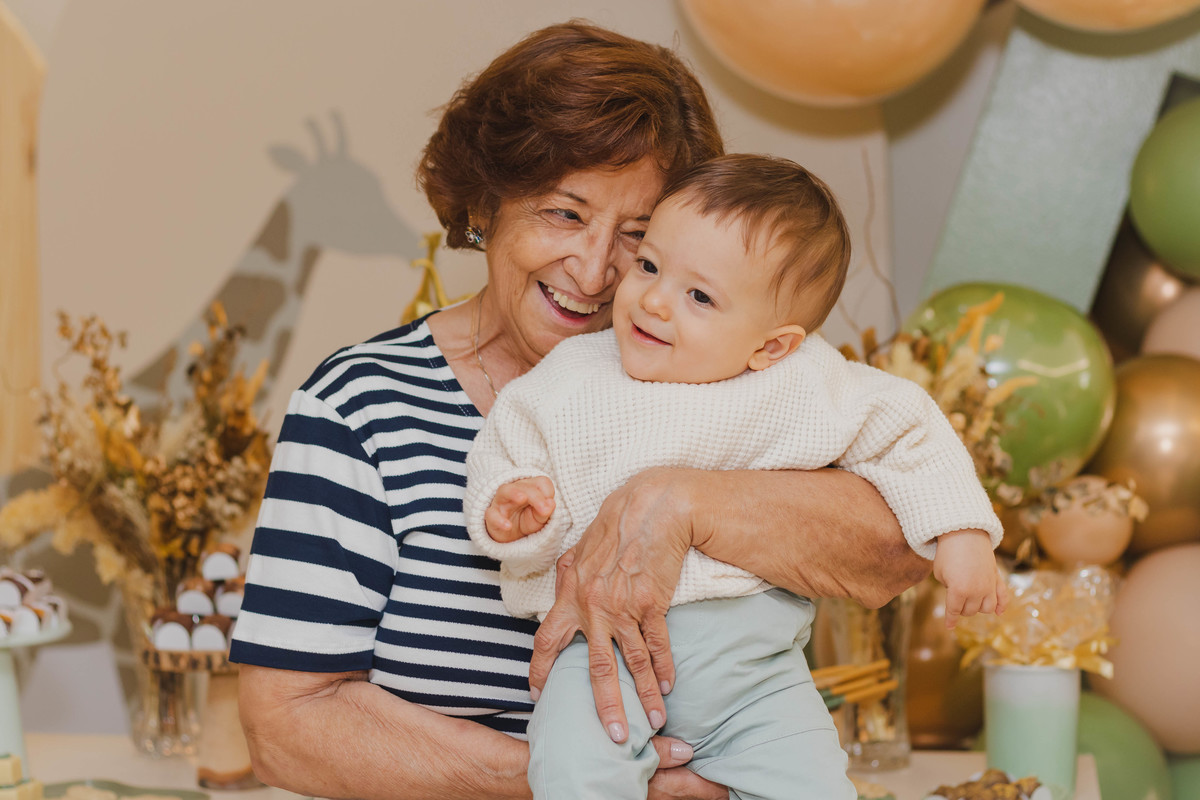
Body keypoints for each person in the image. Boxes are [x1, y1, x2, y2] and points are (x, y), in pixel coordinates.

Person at [232, 22, 930, 800]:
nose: (595, 271)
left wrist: (681, 503)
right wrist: (591, 779)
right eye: (564, 214)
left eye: (637, 237)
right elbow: (287, 728)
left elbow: (897, 547)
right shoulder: (359, 407)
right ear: (485, 203)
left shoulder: (734, 372)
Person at [463, 153, 1005, 800]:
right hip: (604, 658)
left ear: (771, 345)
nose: (654, 301)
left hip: (759, 675)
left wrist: (963, 533)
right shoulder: (573, 375)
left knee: (816, 787)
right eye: (649, 266)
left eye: (699, 296)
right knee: (574, 768)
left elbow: (907, 426)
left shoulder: (795, 382)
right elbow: (509, 443)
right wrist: (513, 509)